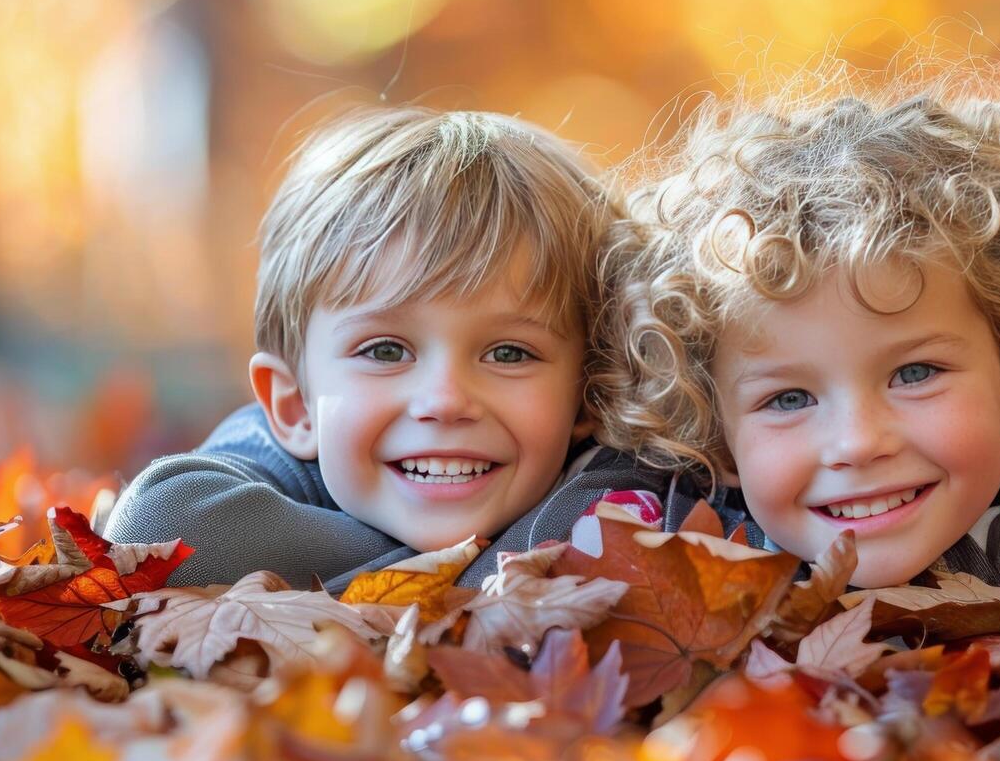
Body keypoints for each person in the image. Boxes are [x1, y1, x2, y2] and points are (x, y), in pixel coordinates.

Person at [591, 54, 1000, 588]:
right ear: (715, 435)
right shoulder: (668, 550)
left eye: (914, 373)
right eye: (788, 398)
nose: (856, 442)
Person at [104, 106, 691, 590]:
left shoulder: (623, 485)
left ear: (591, 393)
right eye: (385, 351)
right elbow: (158, 523)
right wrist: (464, 576)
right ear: (294, 406)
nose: (444, 400)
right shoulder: (269, 459)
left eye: (509, 353)